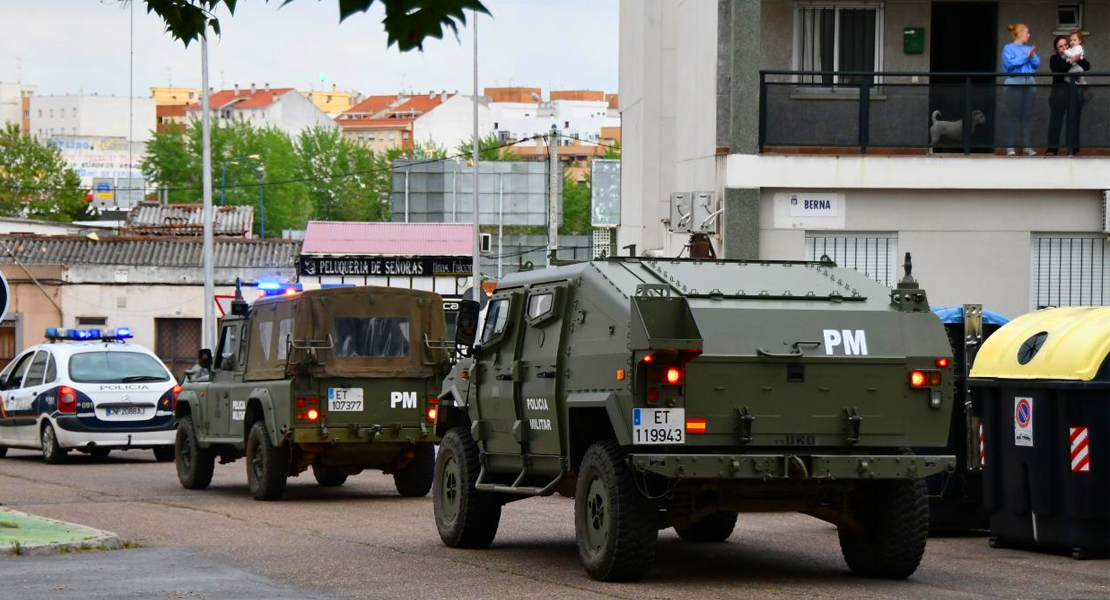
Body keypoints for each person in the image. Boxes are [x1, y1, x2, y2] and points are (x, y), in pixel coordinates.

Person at [1047, 34, 1091, 155]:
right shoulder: (1054, 58)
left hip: (1074, 93)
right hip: (1058, 93)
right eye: (1061, 46)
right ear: (1057, 49)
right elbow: (1058, 70)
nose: (1064, 47)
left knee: (1074, 121)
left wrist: (1077, 59)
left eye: (1066, 44)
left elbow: (1087, 66)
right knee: (1056, 120)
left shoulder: (1074, 52)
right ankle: (1052, 148)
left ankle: (1073, 148)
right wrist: (1071, 62)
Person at [1001, 23, 1040, 156]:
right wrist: (1025, 57)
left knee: (1027, 117)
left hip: (1029, 84)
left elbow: (1036, 64)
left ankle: (1027, 147)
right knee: (1013, 116)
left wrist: (1031, 56)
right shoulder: (1008, 48)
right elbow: (1009, 64)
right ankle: (1010, 147)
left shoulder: (1028, 48)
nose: (1029, 35)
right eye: (1027, 32)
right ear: (1019, 34)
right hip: (1014, 85)